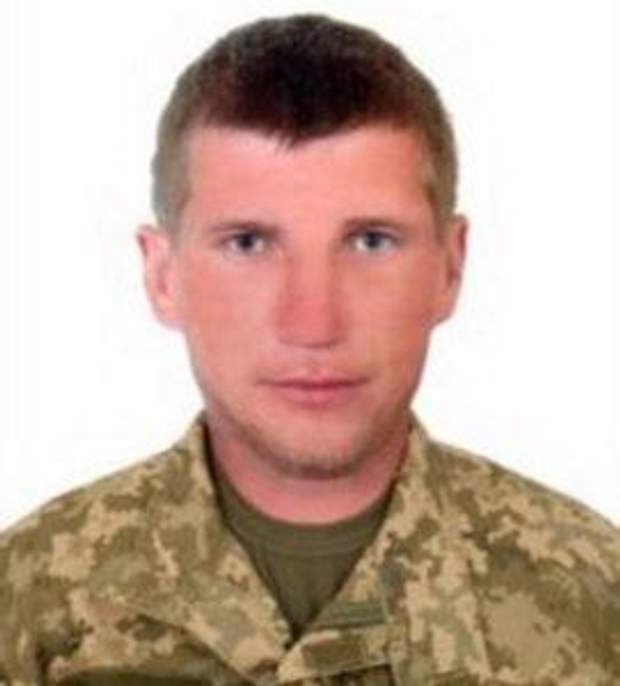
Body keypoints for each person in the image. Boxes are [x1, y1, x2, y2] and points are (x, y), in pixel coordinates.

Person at [1, 13, 618, 685]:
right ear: (163, 275)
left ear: (450, 267)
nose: (313, 322)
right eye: (248, 243)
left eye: (371, 242)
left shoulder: (596, 599)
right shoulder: (28, 600)